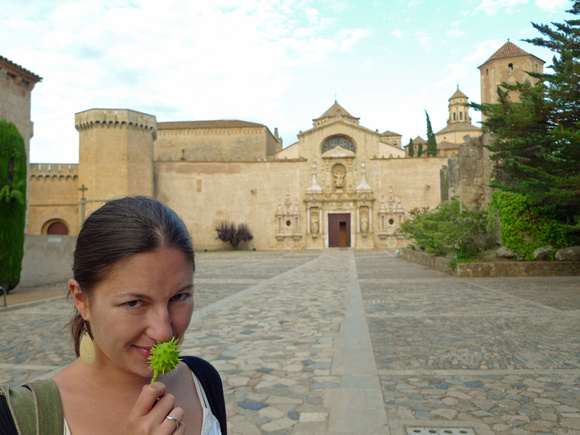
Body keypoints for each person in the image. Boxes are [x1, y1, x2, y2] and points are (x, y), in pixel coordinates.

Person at [0, 196, 227, 434]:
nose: (164, 331)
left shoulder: (203, 380)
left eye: (179, 297)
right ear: (82, 300)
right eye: (134, 302)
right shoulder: (15, 419)